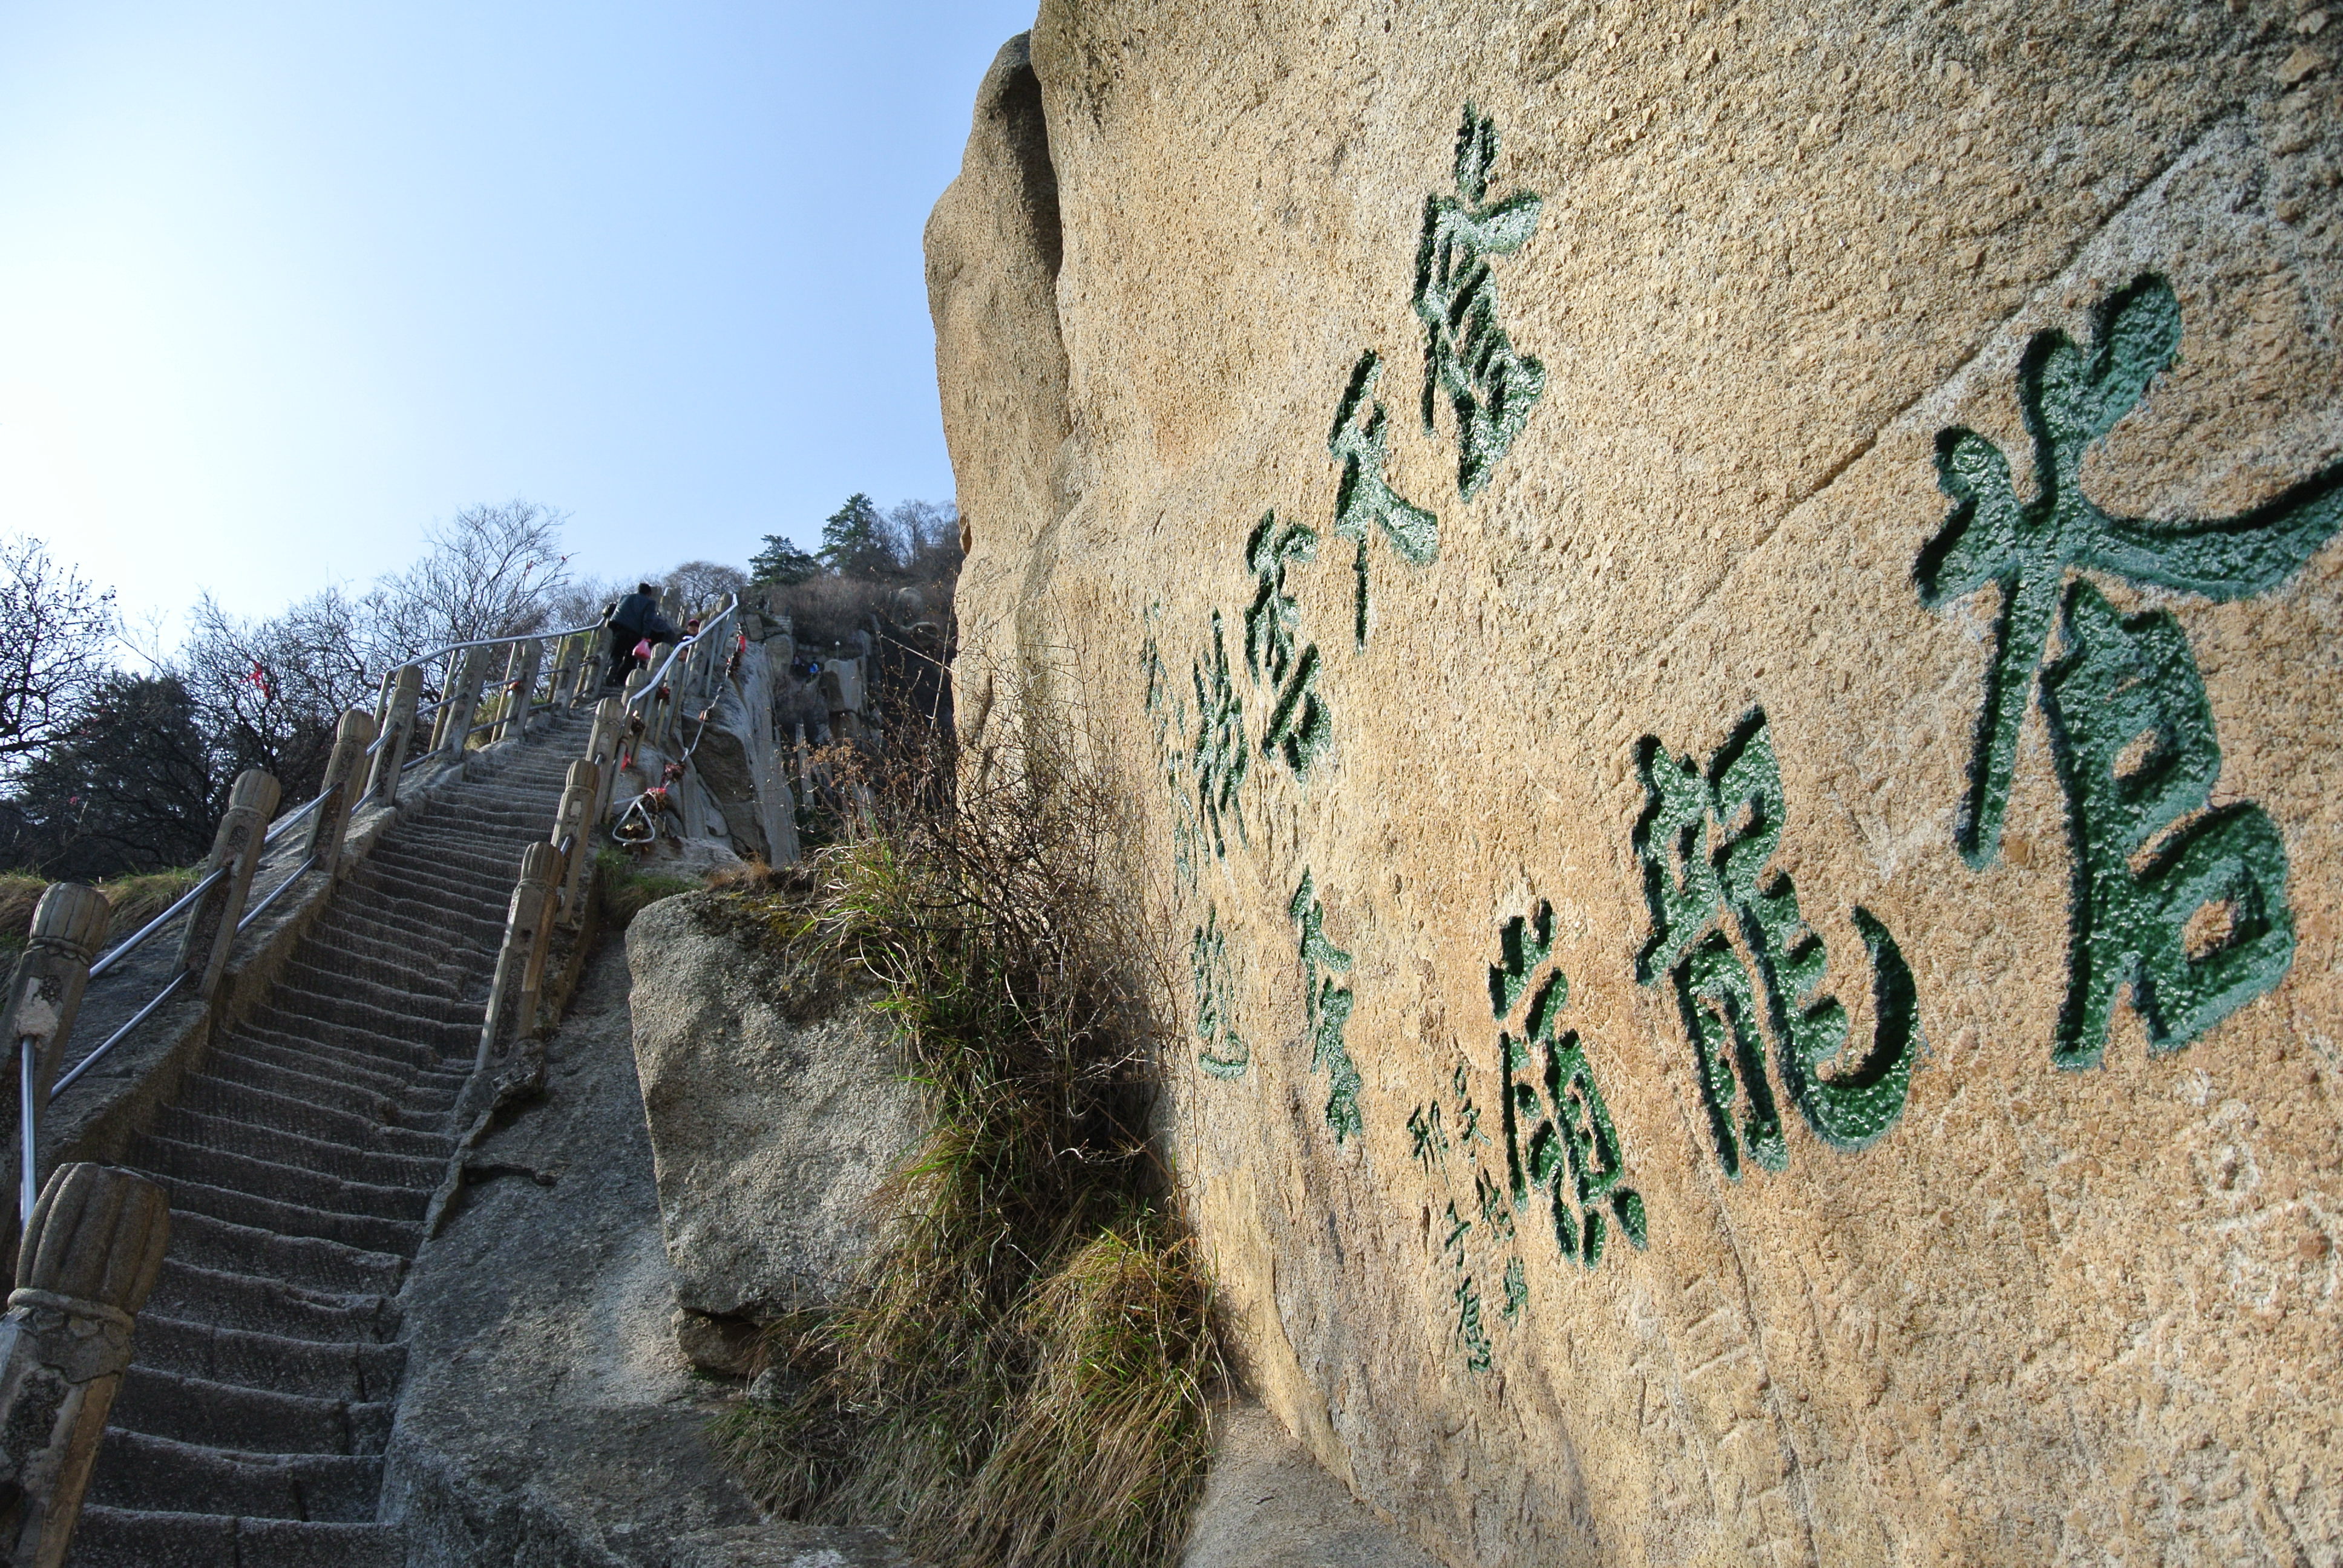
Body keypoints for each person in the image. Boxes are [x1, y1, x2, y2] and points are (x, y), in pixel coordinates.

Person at [605, 583, 680, 687]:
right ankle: (619, 680)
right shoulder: (650, 603)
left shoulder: (625, 597)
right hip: (635, 633)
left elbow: (616, 611)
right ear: (649, 593)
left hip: (620, 630)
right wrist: (645, 635)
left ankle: (612, 667)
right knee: (630, 659)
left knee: (617, 653)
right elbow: (648, 619)